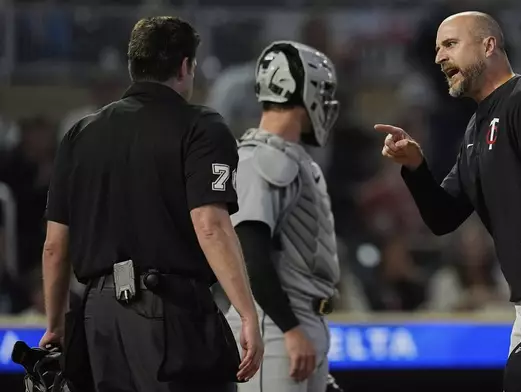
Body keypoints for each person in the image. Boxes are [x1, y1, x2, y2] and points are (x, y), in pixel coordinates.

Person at [375, 11, 521, 392]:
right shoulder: (477, 125)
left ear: (488, 46)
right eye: (437, 49)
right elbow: (443, 216)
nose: (439, 57)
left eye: (450, 44)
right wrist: (416, 168)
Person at [39, 16, 263, 392]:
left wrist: (55, 326)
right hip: (169, 311)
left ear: (133, 66)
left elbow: (54, 246)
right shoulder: (202, 126)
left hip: (97, 315)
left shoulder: (80, 133)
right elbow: (209, 223)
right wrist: (246, 312)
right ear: (185, 66)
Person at [224, 40, 341, 392]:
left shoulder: (291, 156)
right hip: (273, 327)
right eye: (321, 91)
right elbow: (250, 254)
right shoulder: (261, 158)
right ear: (300, 90)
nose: (326, 101)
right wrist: (290, 329)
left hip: (304, 321)